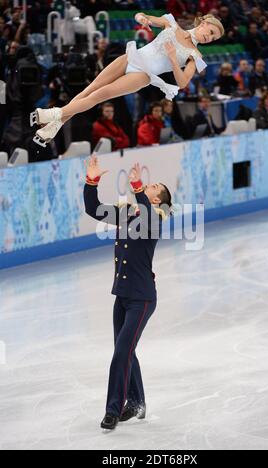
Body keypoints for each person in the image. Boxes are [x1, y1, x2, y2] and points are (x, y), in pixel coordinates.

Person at [29, 11, 225, 147]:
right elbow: (143, 16)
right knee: (89, 89)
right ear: (204, 23)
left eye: (214, 38)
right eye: (211, 32)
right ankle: (55, 125)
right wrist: (142, 18)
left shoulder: (196, 55)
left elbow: (182, 82)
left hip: (144, 74)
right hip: (132, 57)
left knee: (100, 94)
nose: (210, 38)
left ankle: (53, 114)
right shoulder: (171, 23)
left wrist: (174, 60)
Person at [83, 155, 172, 430]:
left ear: (158, 200)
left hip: (142, 298)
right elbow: (93, 209)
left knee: (122, 350)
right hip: (122, 296)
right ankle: (137, 402)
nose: (149, 185)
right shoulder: (129, 212)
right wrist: (91, 181)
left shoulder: (154, 219)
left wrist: (136, 187)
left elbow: (145, 213)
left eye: (154, 186)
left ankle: (113, 410)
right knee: (126, 350)